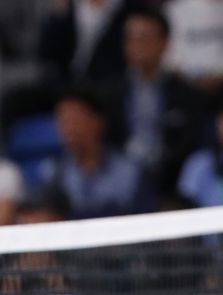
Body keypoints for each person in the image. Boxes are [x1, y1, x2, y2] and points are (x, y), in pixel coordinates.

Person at [103, 8, 205, 199]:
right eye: (131, 39)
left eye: (144, 39)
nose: (137, 46)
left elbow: (189, 146)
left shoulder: (187, 95)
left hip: (169, 184)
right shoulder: (109, 94)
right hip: (118, 184)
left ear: (165, 43)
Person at [38, 84, 156, 219]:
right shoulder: (53, 173)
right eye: (63, 120)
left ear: (98, 121)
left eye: (75, 119)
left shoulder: (131, 172)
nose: (68, 128)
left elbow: (147, 220)